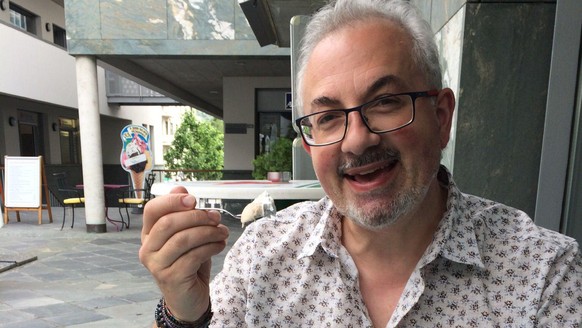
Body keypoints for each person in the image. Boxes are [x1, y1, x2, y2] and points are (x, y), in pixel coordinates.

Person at [139, 0, 582, 327]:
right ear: (309, 143)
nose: (356, 139)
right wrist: (185, 313)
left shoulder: (544, 274)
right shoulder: (261, 257)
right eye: (328, 117)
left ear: (441, 117)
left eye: (386, 102)